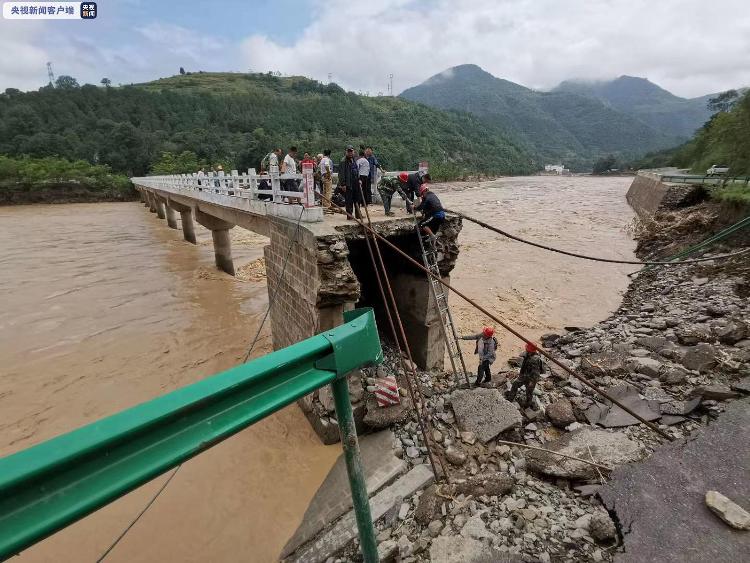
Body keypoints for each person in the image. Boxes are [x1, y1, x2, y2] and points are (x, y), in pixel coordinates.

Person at [505, 342, 546, 407]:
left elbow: (536, 374)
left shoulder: (535, 360)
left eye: (527, 348)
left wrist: (531, 382)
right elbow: (522, 356)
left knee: (529, 392)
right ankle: (510, 399)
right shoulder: (529, 354)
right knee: (515, 385)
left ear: (530, 350)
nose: (526, 349)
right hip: (524, 375)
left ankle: (527, 405)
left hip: (530, 379)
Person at [339, 145, 363, 219]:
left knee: (357, 199)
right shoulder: (343, 161)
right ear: (346, 152)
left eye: (351, 151)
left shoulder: (354, 159)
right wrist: (343, 184)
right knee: (349, 200)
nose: (350, 153)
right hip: (348, 184)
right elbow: (341, 174)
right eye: (348, 151)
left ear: (353, 152)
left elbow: (356, 170)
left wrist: (359, 179)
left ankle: (358, 215)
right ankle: (349, 216)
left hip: (355, 182)